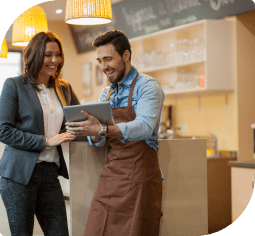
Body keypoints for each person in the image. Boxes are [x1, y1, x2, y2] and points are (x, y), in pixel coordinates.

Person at [66, 29, 165, 236]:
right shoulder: (107, 93)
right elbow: (100, 141)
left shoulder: (148, 86)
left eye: (108, 59)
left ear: (126, 55)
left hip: (140, 177)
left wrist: (102, 129)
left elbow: (145, 127)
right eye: (100, 61)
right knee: (96, 229)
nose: (103, 67)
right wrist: (90, 130)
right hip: (111, 175)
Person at [0, 31, 80, 236]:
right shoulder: (15, 85)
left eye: (58, 54)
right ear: (35, 55)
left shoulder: (65, 88)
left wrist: (100, 127)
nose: (55, 60)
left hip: (49, 173)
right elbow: (3, 130)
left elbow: (79, 120)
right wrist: (45, 141)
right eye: (48, 55)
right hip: (18, 175)